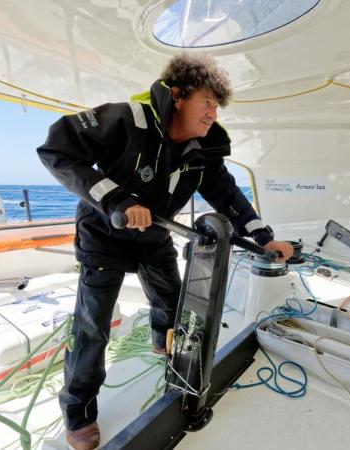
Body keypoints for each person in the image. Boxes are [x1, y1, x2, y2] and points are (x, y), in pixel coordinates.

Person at [37, 53, 293, 450]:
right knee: (92, 328)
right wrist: (118, 201)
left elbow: (227, 196)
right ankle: (78, 411)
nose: (212, 113)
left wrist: (264, 237)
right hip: (104, 235)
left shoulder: (202, 149)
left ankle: (162, 342)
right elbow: (58, 149)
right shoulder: (126, 119)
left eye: (216, 106)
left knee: (172, 304)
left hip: (154, 235)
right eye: (206, 102)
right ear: (178, 96)